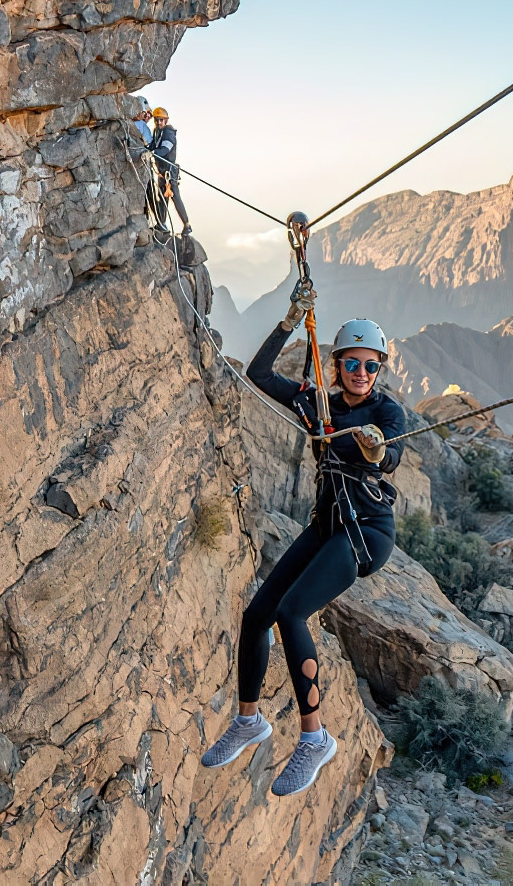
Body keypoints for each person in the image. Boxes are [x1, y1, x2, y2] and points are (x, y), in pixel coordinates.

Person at [199, 268, 406, 797]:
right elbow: (259, 374)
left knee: (292, 612)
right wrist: (290, 320)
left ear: (379, 370)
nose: (362, 372)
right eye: (352, 363)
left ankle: (314, 738)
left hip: (365, 532)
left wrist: (375, 449)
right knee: (256, 615)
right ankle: (249, 720)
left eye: (371, 365)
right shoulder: (319, 404)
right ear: (338, 365)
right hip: (327, 524)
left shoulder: (387, 411)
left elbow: (390, 456)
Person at [147, 106, 188, 230]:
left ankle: (187, 225)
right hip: (161, 171)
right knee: (162, 198)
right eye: (157, 120)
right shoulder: (157, 131)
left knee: (175, 198)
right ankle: (162, 224)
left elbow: (165, 149)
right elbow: (154, 145)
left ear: (166, 120)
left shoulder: (169, 133)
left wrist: (152, 153)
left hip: (170, 172)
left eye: (161, 120)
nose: (159, 122)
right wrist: (145, 149)